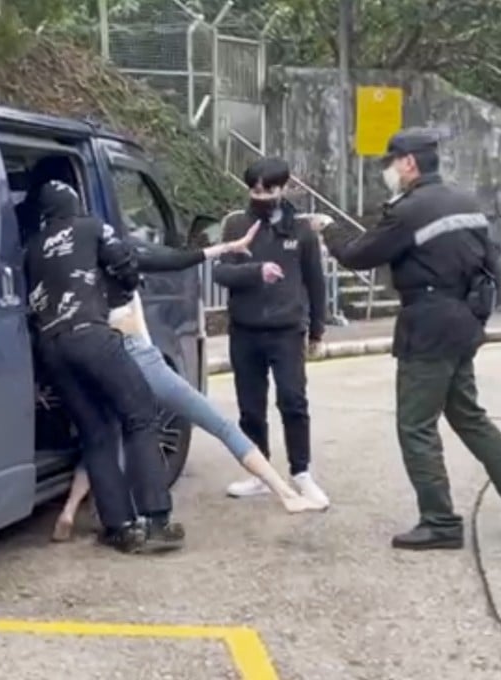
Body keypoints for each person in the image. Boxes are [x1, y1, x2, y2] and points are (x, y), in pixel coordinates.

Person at [311, 127, 501, 550]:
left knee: (415, 425)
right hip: (463, 320)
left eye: (390, 162)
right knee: (467, 414)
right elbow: (493, 263)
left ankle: (440, 520)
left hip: (428, 323)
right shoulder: (466, 202)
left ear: (409, 163)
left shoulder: (410, 209)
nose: (387, 170)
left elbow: (358, 256)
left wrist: (327, 228)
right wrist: (475, 316)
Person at [51, 225, 330, 542]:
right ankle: (286, 493)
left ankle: (69, 512)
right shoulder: (125, 261)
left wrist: (227, 246)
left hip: (102, 359)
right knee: (218, 423)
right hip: (141, 358)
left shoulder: (76, 277)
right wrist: (228, 246)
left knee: (104, 437)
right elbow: (178, 259)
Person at [24, 180, 184, 554]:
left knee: (95, 433)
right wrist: (127, 284)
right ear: (74, 204)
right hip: (91, 337)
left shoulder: (31, 248)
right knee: (141, 413)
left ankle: (120, 528)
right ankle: (156, 520)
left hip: (51, 348)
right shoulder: (91, 226)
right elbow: (124, 263)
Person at [211, 157, 330, 508]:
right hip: (245, 330)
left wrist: (317, 331)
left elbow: (315, 282)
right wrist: (255, 271)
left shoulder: (302, 230)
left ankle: (301, 473)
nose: (260, 196)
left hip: (287, 330)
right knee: (250, 407)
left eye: (269, 190)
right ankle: (259, 472)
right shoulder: (236, 224)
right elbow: (221, 273)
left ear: (284, 188)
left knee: (293, 401)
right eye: (255, 190)